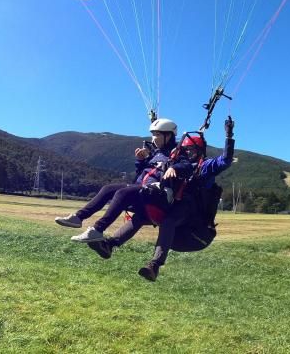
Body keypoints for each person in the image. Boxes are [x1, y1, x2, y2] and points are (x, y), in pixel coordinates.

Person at [88, 116, 236, 282]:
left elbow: (225, 161)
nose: (189, 154)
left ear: (200, 152)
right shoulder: (177, 160)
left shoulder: (205, 167)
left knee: (168, 221)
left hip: (192, 213)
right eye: (186, 151)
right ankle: (109, 245)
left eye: (192, 151)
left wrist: (228, 136)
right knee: (142, 215)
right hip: (173, 203)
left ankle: (154, 265)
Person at [54, 118, 191, 243]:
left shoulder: (177, 152)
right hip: (142, 189)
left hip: (158, 194)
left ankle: (97, 230)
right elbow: (142, 174)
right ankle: (78, 218)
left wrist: (175, 168)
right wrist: (141, 161)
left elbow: (188, 166)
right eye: (153, 134)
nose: (154, 139)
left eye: (158, 135)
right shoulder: (156, 153)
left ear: (169, 135)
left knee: (122, 193)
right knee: (108, 188)